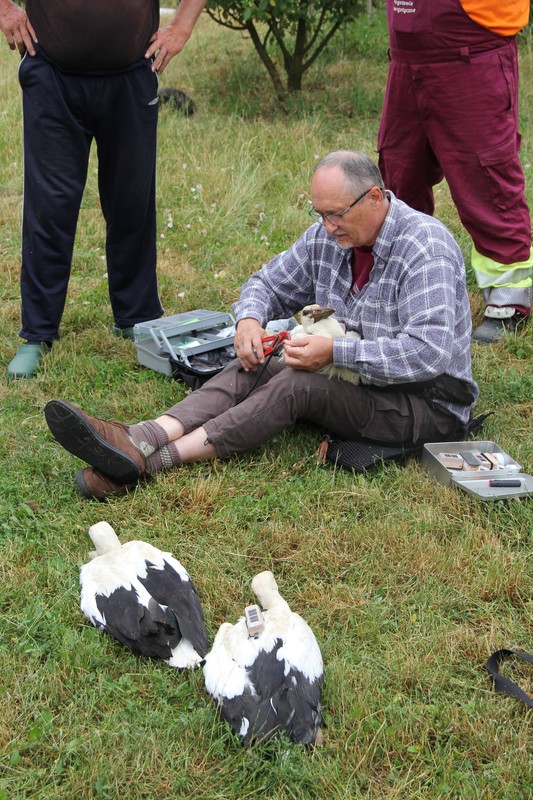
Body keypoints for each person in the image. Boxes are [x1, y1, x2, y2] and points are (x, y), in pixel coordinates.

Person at [44, 150, 479, 500]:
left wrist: (334, 352)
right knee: (263, 356)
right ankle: (142, 437)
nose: (328, 228)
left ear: (375, 198)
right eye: (320, 214)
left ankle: (150, 463)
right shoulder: (329, 235)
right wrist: (250, 321)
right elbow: (267, 283)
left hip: (426, 403)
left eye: (336, 215)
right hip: (354, 378)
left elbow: (429, 352)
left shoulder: (426, 248)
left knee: (300, 384)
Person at [0, 0, 206, 379]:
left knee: (132, 199)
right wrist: (5, 10)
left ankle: (136, 317)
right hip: (51, 74)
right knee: (50, 205)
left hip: (131, 74)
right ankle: (38, 333)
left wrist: (181, 27)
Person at [377, 0, 532, 344]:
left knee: (485, 179)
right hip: (406, 56)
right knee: (401, 175)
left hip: (472, 50)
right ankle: (408, 286)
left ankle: (508, 299)